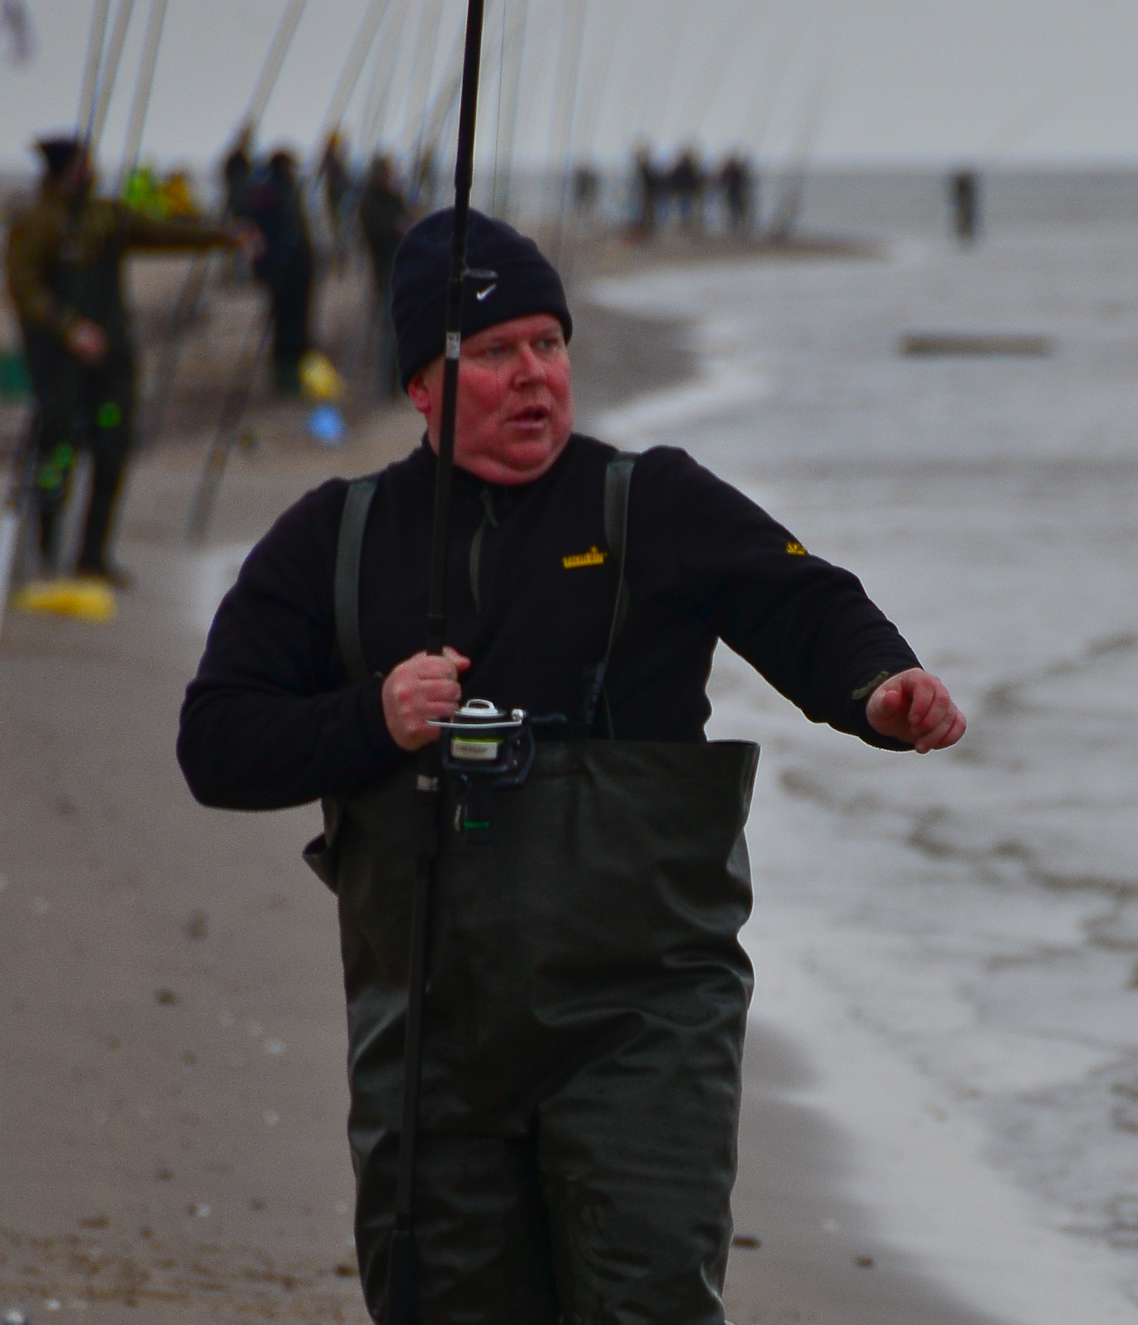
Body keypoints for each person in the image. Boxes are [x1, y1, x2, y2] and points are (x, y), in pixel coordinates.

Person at [176, 208, 965, 1325]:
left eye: (550, 344)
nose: (534, 374)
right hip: (426, 1035)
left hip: (642, 1021)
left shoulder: (653, 501)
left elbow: (805, 604)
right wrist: (373, 718)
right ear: (419, 383)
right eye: (496, 352)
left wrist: (880, 691)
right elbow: (215, 742)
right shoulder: (333, 539)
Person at [5, 135, 242, 582]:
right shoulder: (37, 223)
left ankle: (93, 554)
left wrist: (224, 237)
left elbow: (162, 233)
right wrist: (68, 329)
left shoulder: (106, 215)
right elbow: (25, 288)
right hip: (61, 364)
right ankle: (46, 547)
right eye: (82, 163)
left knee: (113, 447)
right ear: (63, 169)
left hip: (112, 360)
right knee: (57, 452)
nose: (89, 170)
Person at [242, 149, 316, 394]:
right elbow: (260, 232)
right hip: (283, 268)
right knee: (287, 322)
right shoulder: (271, 193)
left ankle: (292, 374)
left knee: (294, 321)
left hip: (294, 267)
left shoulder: (281, 191)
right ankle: (286, 377)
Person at [356, 156, 412, 396]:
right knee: (388, 328)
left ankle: (400, 382)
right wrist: (395, 227)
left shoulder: (394, 198)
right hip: (384, 272)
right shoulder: (370, 201)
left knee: (402, 329)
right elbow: (374, 231)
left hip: (402, 271)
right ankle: (385, 387)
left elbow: (408, 220)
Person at [716, 150, 754, 237]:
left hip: (734, 191)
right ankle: (737, 225)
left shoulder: (733, 170)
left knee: (735, 208)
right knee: (736, 208)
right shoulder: (737, 170)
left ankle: (736, 225)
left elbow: (722, 179)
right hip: (735, 191)